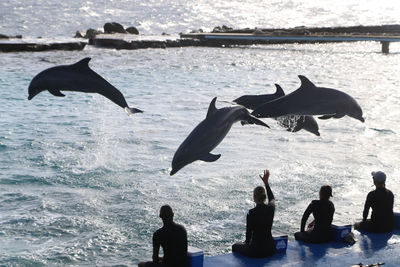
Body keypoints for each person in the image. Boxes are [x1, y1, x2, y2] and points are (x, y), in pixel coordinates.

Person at [232, 169, 276, 258]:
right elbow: (272, 199)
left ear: (254, 197)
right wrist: (266, 183)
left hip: (256, 251)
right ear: (264, 197)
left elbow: (248, 235)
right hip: (270, 249)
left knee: (235, 246)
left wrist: (245, 244)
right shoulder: (271, 208)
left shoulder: (251, 213)